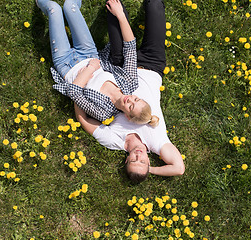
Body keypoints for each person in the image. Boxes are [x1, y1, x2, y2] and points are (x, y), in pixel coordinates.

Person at [75, 0, 185, 183]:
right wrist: (150, 170)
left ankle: (118, 13)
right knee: (155, 6)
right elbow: (179, 168)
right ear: (149, 161)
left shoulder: (115, 141)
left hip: (122, 64)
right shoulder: (157, 142)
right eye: (143, 161)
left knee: (114, 7)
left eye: (134, 161)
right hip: (153, 64)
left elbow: (84, 120)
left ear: (126, 160)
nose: (139, 156)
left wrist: (76, 93)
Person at [36, 0, 159, 126]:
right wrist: (120, 15)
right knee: (69, 5)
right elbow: (130, 50)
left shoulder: (103, 112)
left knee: (54, 9)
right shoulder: (130, 82)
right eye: (136, 99)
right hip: (88, 52)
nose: (130, 100)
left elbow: (73, 92)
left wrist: (90, 69)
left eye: (131, 107)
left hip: (66, 65)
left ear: (128, 117)